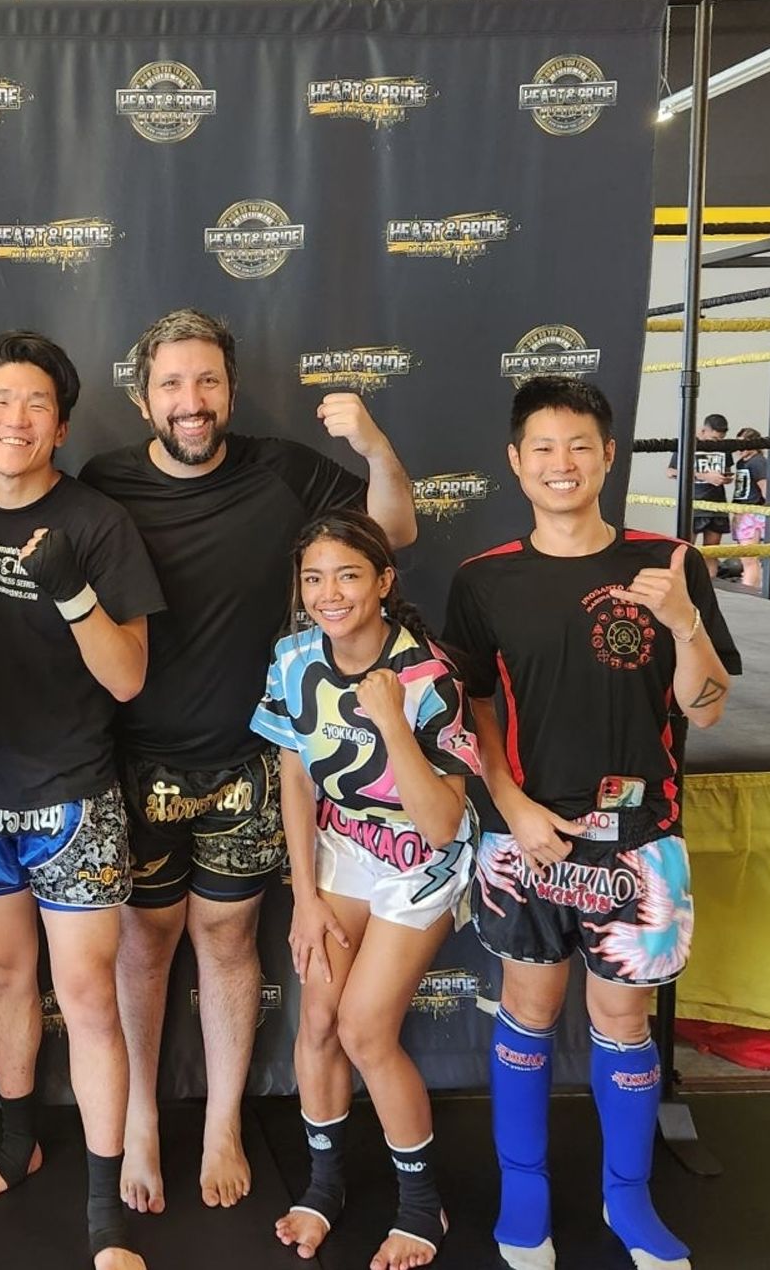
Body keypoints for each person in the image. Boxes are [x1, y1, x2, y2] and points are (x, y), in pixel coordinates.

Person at [78, 307, 417, 1215]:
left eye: (206, 383)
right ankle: (141, 1119)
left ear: (230, 389)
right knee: (143, 947)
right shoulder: (104, 483)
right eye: (172, 386)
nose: (191, 403)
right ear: (143, 397)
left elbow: (392, 536)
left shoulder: (283, 469)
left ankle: (224, 1120)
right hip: (135, 762)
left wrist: (377, 446)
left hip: (251, 759)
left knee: (227, 940)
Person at [443, 376, 741, 1270]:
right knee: (528, 1011)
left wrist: (685, 621)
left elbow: (710, 706)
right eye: (543, 447)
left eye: (579, 445)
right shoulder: (483, 578)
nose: (561, 463)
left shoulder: (669, 561)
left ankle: (627, 1199)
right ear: (515, 462)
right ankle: (524, 1191)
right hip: (525, 833)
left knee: (623, 1021)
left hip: (642, 834)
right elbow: (474, 709)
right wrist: (512, 803)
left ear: (610, 456)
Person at [0, 331, 166, 1270]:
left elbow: (129, 677)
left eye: (36, 404)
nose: (16, 419)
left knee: (86, 997)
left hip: (72, 798)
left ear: (60, 423)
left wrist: (75, 597)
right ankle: (17, 1144)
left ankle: (105, 1212)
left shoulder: (95, 523)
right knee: (6, 980)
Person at [254, 512, 478, 1269]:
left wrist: (391, 721)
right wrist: (305, 893)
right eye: (313, 577)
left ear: (383, 581)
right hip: (343, 850)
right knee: (316, 1019)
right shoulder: (291, 658)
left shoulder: (426, 675)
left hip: (422, 859)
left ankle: (421, 1207)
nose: (328, 593)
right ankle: (324, 1188)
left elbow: (444, 824)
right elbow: (291, 773)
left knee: (363, 1030)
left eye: (348, 575)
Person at [664, 414, 731, 558]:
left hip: (717, 505)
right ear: (703, 431)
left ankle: (710, 580)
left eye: (721, 439)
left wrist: (725, 479)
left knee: (712, 554)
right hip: (693, 505)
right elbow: (670, 472)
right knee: (687, 551)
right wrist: (704, 476)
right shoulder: (688, 444)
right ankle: (687, 580)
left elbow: (729, 471)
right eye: (714, 439)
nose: (717, 443)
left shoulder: (724, 447)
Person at [727, 429, 770, 591]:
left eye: (743, 444)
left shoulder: (758, 462)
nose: (739, 449)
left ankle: (748, 592)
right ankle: (751, 587)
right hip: (744, 511)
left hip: (753, 513)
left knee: (749, 557)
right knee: (748, 557)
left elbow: (765, 488)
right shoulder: (743, 463)